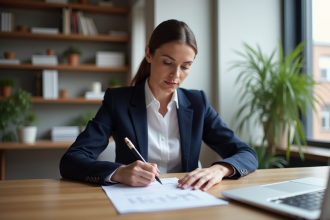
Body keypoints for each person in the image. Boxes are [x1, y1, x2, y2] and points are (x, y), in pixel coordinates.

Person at [60, 19, 258, 192]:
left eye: (185, 66)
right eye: (167, 62)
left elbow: (246, 154)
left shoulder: (198, 103)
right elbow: (71, 160)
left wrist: (219, 169)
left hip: (186, 200)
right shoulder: (117, 101)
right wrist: (119, 172)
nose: (176, 75)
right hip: (136, 203)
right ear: (149, 55)